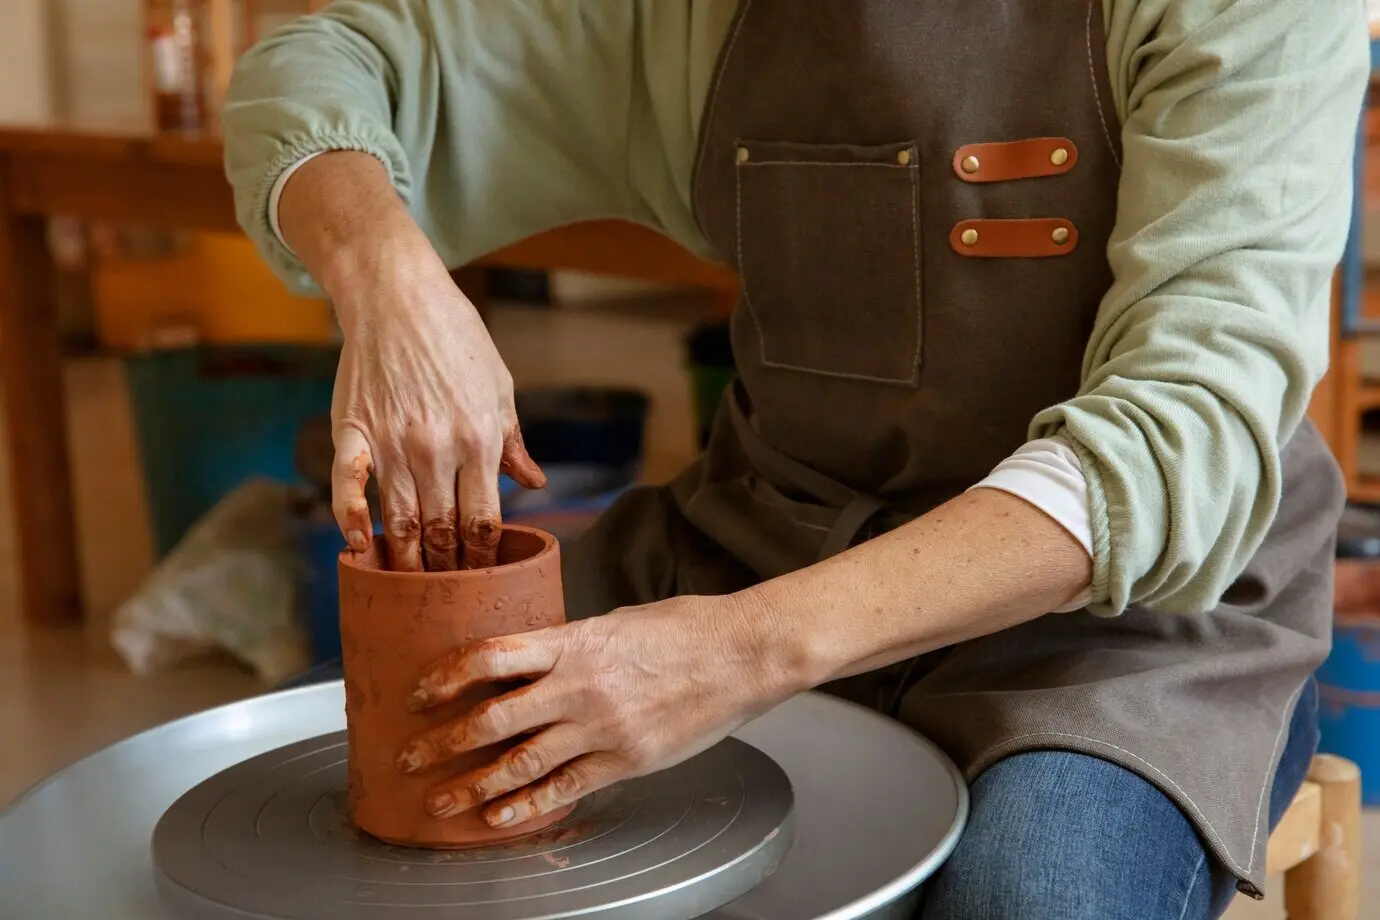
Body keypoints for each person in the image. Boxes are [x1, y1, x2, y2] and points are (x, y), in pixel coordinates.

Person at [222, 2, 1369, 916]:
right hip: (762, 541)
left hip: (1119, 630)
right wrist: (388, 281)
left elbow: (1184, 438)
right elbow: (322, 64)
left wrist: (734, 652)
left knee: (1025, 899)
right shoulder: (698, 22)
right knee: (316, 778)